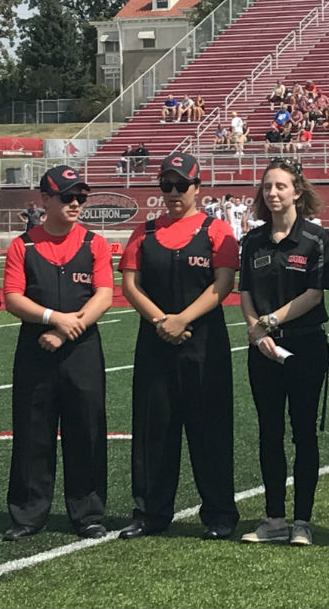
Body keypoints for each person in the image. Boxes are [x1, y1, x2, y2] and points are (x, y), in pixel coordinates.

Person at [118, 152, 240, 540]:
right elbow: (130, 285)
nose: (173, 193)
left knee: (211, 430)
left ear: (197, 187)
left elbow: (223, 284)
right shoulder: (145, 232)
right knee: (154, 429)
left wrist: (182, 319)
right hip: (155, 343)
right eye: (166, 186)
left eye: (181, 186)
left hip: (204, 345)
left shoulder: (217, 230)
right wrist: (161, 321)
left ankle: (219, 513)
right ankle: (151, 512)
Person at [1, 166, 114, 541]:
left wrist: (66, 330)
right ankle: (29, 513)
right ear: (45, 200)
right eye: (67, 197)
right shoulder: (24, 245)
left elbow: (104, 295)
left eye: (81, 197)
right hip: (36, 349)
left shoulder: (93, 242)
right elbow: (13, 298)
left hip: (81, 348)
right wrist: (53, 319)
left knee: (87, 428)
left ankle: (89, 513)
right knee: (34, 432)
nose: (76, 204)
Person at [238, 159, 329, 547]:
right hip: (261, 348)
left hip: (305, 345)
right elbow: (245, 292)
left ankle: (302, 521)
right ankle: (274, 518)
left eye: (280, 186)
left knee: (303, 433)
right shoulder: (253, 240)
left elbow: (314, 294)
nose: (273, 193)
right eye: (267, 187)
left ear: (297, 190)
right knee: (269, 432)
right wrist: (254, 329)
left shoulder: (316, 238)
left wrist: (270, 323)